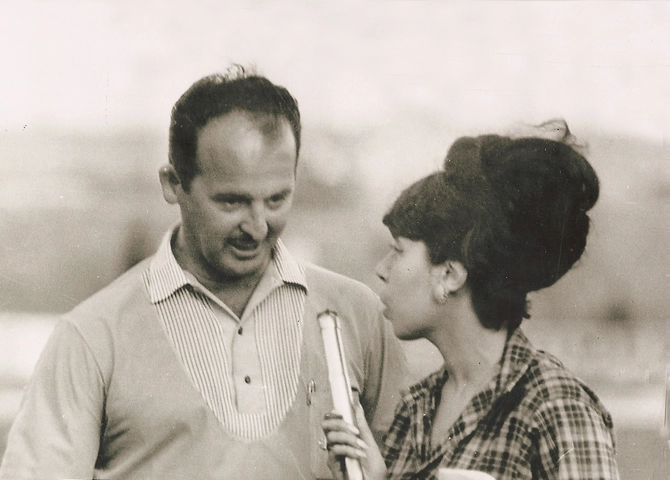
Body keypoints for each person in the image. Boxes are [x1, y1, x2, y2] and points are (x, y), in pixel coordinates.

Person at [0, 66, 408, 480]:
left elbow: (412, 467)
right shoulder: (91, 335)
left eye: (277, 198)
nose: (257, 225)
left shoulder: (359, 315)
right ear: (173, 183)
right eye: (232, 202)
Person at [322, 121, 620, 480]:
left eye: (398, 251)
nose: (382, 269)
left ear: (449, 274)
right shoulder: (415, 409)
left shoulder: (556, 407)